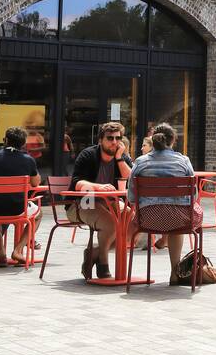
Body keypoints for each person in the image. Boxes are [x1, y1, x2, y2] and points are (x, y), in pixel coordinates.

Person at [127, 124, 200, 281]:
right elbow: (194, 194)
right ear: (173, 140)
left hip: (147, 220)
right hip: (179, 219)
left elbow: (131, 198)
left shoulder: (140, 162)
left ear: (153, 141)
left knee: (168, 215)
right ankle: (175, 271)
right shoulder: (184, 161)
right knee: (178, 220)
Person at [68, 120, 133, 280]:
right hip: (84, 202)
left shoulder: (122, 157)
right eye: (110, 138)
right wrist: (98, 187)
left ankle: (94, 252)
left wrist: (119, 158)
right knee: (110, 224)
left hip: (109, 202)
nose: (114, 142)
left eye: (118, 138)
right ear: (100, 140)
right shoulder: (88, 155)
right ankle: (103, 264)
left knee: (133, 221)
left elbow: (131, 179)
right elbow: (77, 183)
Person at [0, 126, 41, 264]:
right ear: (23, 143)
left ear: (6, 140)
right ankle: (18, 250)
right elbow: (35, 183)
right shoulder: (28, 159)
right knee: (38, 215)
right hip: (18, 208)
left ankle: (1, 252)